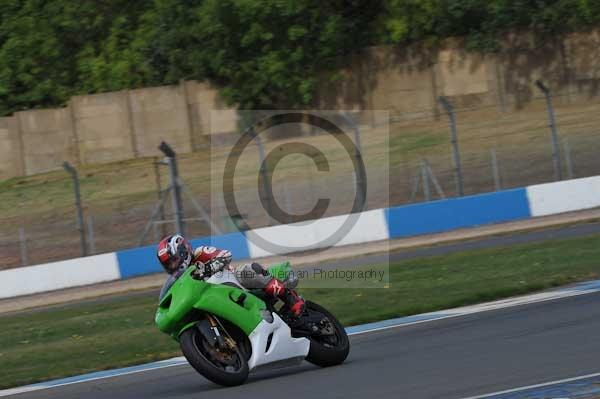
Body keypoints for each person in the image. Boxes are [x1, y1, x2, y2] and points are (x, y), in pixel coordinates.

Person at [156, 234, 305, 316]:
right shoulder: (180, 279)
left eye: (173, 261)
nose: (172, 266)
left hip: (236, 283)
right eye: (168, 264)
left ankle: (292, 300)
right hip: (215, 299)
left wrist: (207, 268)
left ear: (183, 251)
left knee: (246, 270)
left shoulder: (200, 252)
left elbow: (225, 255)